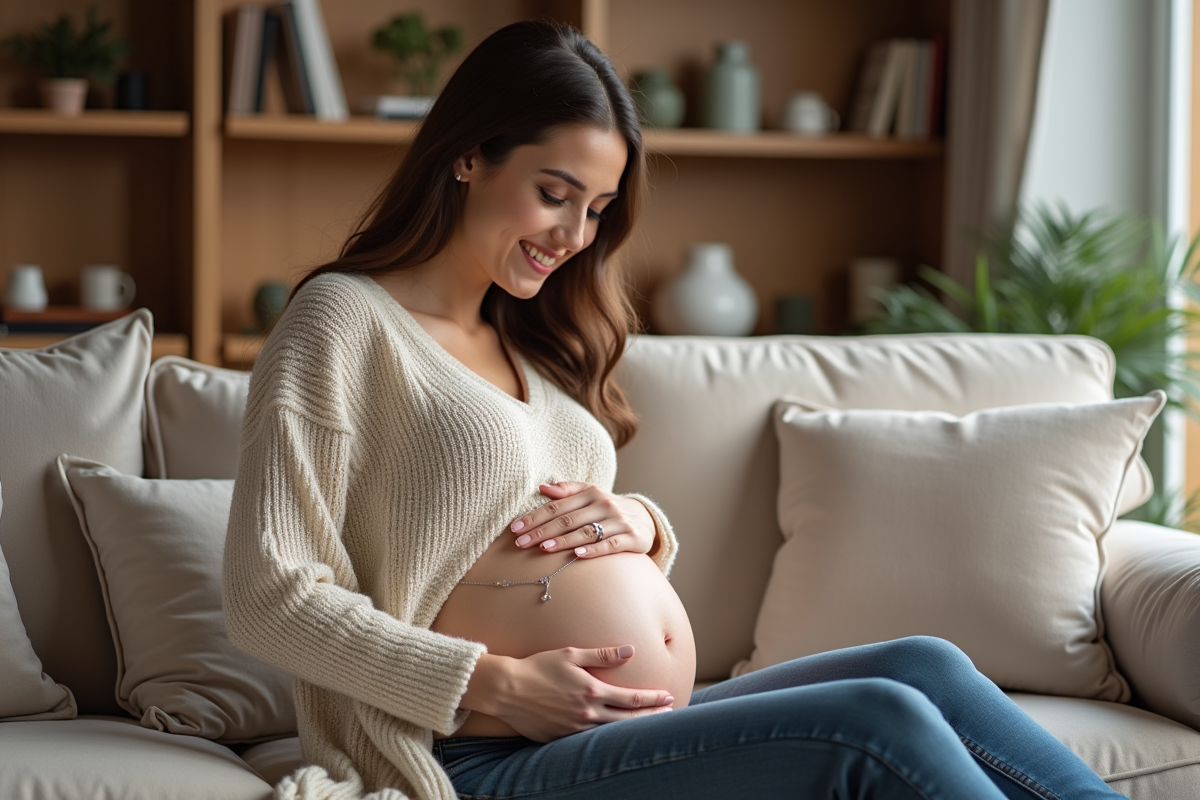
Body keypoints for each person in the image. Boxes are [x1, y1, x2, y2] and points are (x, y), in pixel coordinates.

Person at [223, 19, 1126, 800]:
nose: (574, 237)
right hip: (474, 752)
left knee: (925, 665)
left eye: (597, 209)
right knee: (878, 721)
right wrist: (490, 684)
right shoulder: (345, 321)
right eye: (553, 193)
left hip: (611, 722)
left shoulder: (532, 336)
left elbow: (533, 518)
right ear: (468, 154)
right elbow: (270, 596)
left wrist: (641, 525)